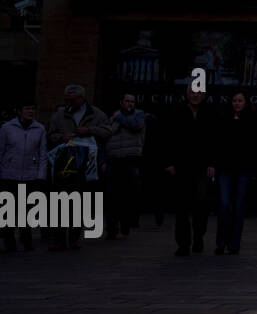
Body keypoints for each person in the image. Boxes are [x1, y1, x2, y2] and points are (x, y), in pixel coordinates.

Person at [46, 84, 111, 250]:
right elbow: (50, 135)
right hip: (64, 162)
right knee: (60, 201)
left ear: (81, 99)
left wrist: (89, 130)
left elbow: (108, 132)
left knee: (80, 201)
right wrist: (62, 137)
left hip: (85, 162)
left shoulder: (96, 114)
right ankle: (59, 239)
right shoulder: (59, 115)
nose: (68, 103)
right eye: (66, 99)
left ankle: (74, 237)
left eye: (71, 100)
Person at [164, 88, 218, 257]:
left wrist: (212, 163)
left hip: (202, 167)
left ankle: (198, 236)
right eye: (192, 92)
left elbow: (215, 140)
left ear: (204, 95)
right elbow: (167, 139)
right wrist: (169, 163)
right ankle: (183, 244)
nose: (195, 95)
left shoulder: (210, 114)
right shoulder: (176, 112)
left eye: (199, 93)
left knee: (201, 204)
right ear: (187, 94)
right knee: (182, 207)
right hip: (181, 167)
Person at [215, 90, 257, 255]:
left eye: (240, 101)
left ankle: (234, 244)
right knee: (224, 206)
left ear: (245, 103)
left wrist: (255, 169)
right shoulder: (223, 119)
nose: (237, 103)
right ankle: (221, 242)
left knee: (238, 208)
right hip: (225, 169)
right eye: (235, 100)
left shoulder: (252, 121)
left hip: (244, 170)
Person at [0, 102, 46, 252]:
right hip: (9, 174)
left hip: (30, 175)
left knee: (27, 210)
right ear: (19, 111)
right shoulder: (7, 128)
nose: (31, 111)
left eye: (33, 108)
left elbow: (42, 154)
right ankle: (9, 241)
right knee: (8, 209)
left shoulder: (40, 128)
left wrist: (40, 175)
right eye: (27, 108)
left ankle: (26, 239)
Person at [105, 92, 149, 239]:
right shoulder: (113, 117)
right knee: (112, 196)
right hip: (114, 159)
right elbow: (107, 134)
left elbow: (136, 126)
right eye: (127, 101)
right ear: (121, 102)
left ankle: (125, 223)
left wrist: (119, 118)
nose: (130, 103)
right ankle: (112, 228)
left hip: (131, 160)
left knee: (128, 194)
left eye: (132, 101)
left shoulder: (139, 115)